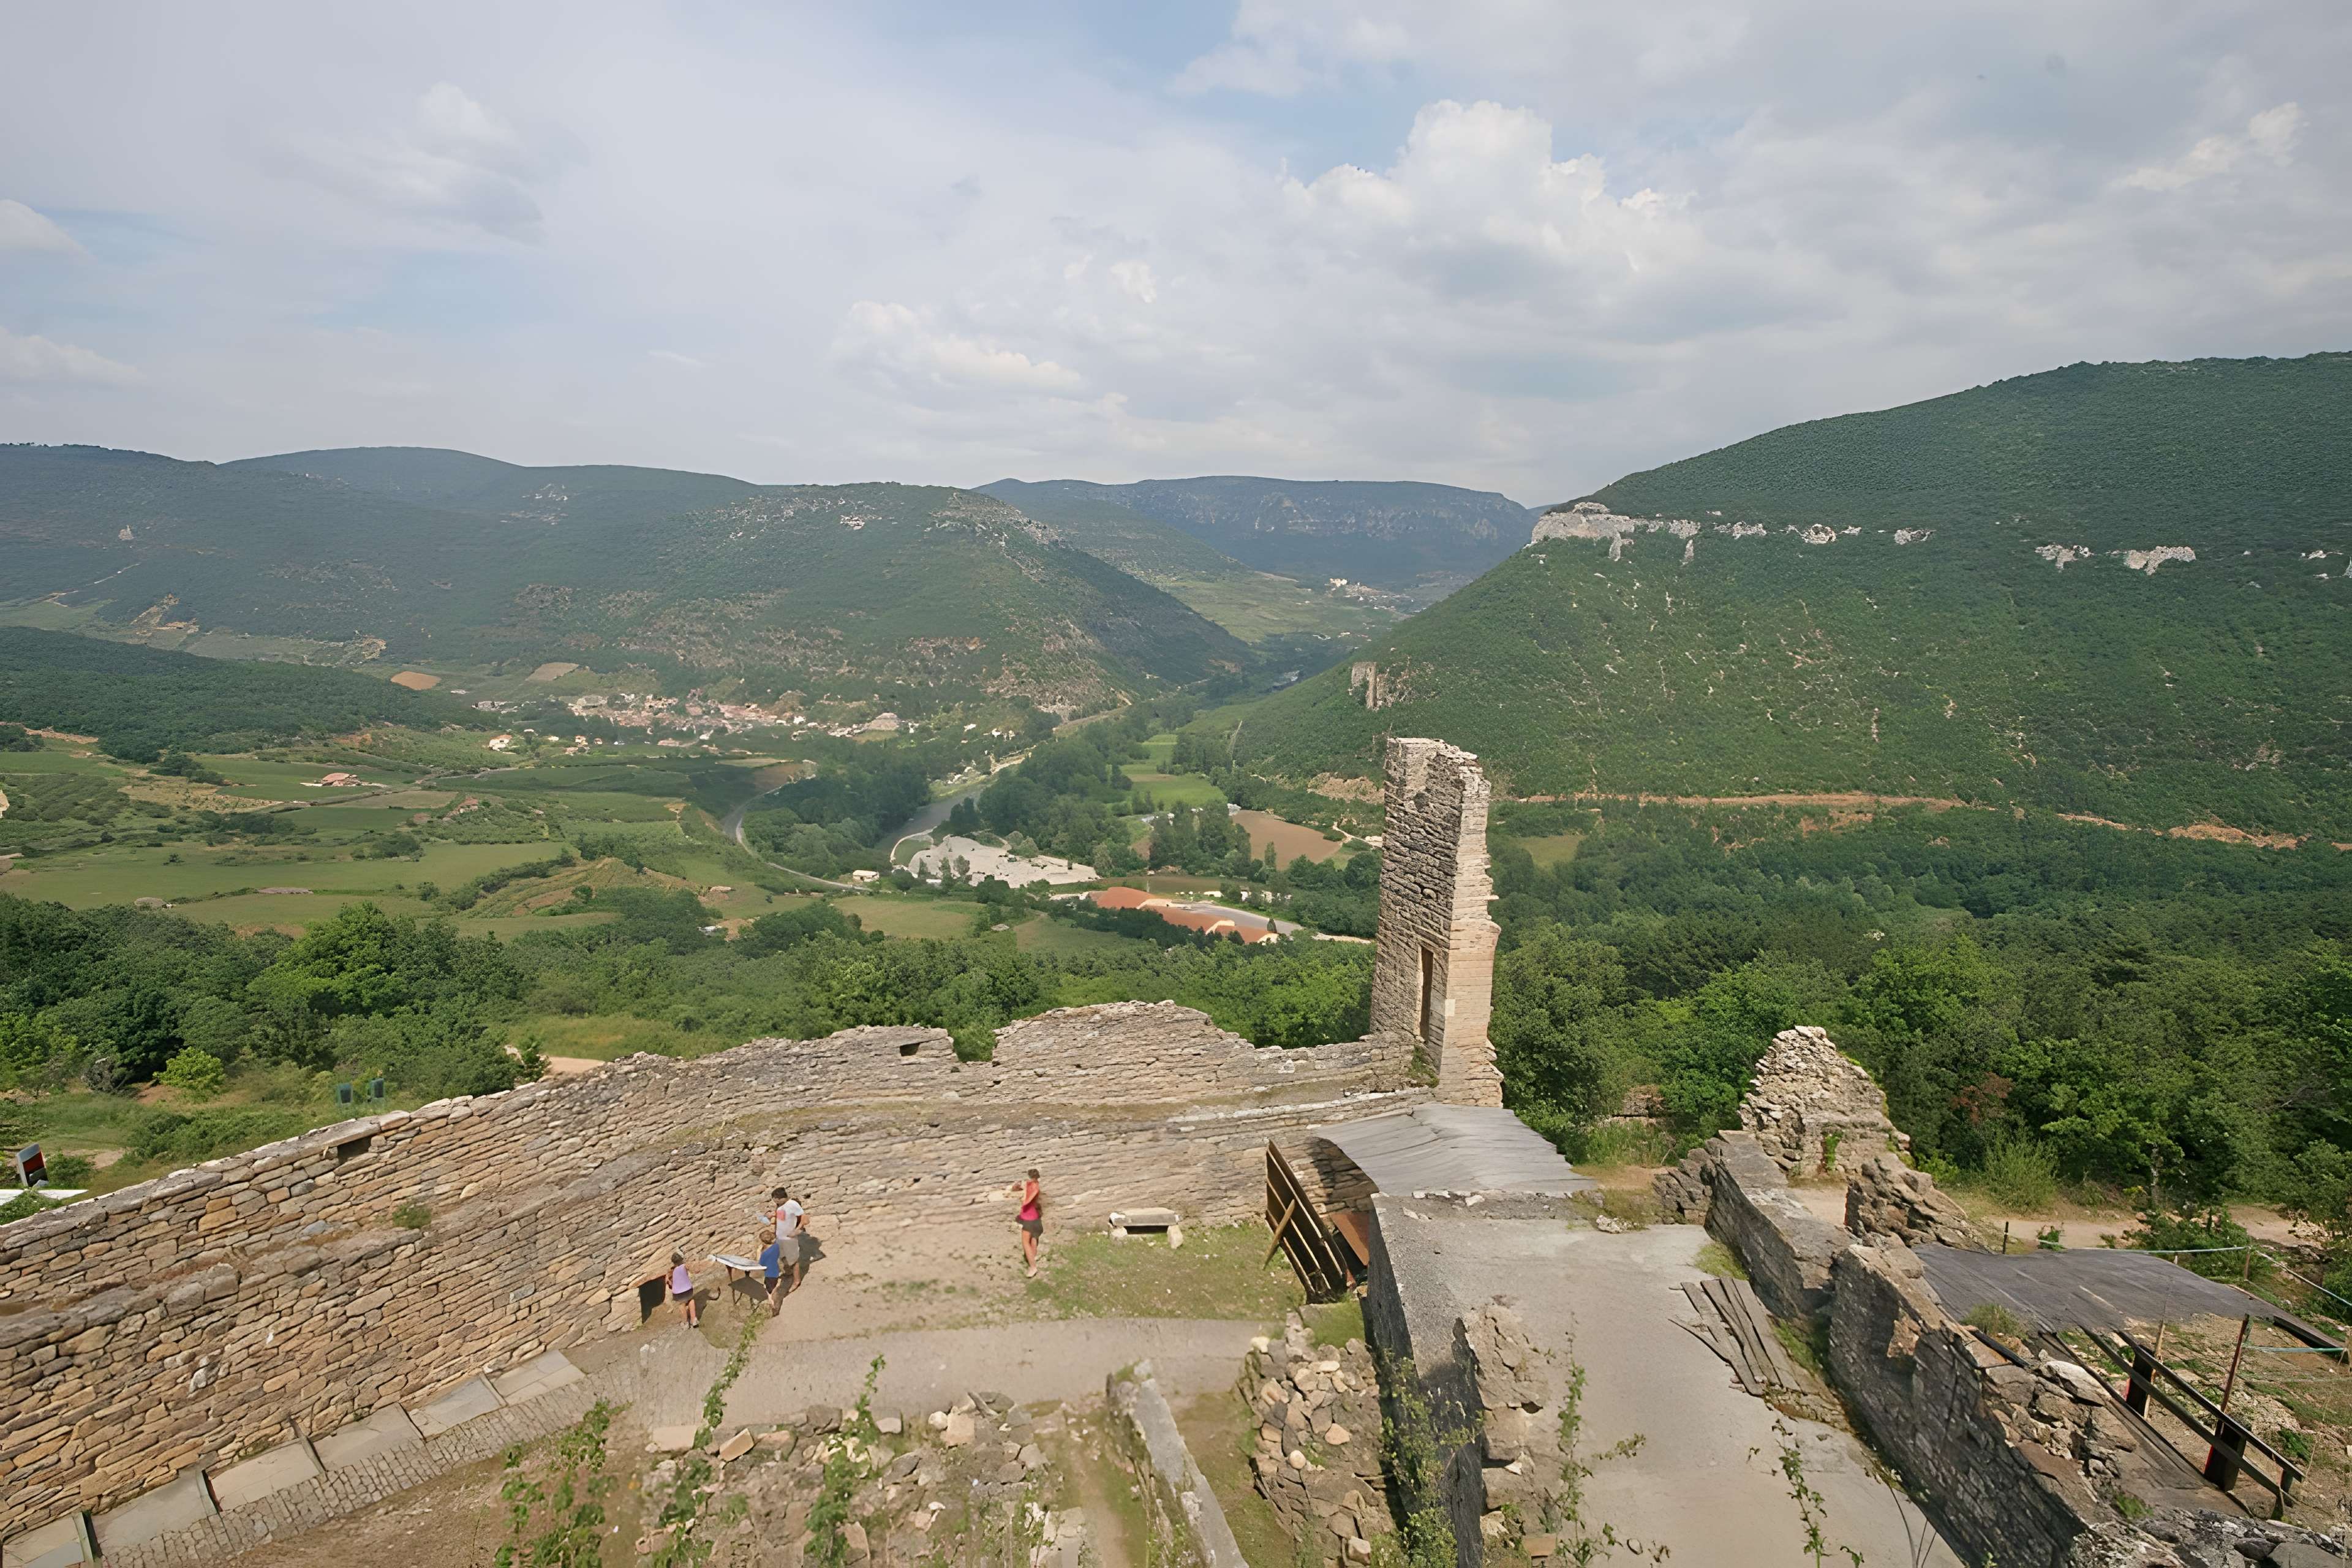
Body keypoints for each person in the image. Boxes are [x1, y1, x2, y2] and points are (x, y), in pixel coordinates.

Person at [771, 1186, 809, 1296]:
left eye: (775, 1200)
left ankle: (797, 1281)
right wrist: (773, 1216)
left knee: (793, 1261)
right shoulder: (780, 1206)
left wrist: (797, 1230)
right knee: (783, 1257)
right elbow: (782, 1218)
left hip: (789, 1239)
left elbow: (805, 1218)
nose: (775, 1202)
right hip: (780, 1238)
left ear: (779, 1198)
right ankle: (789, 1273)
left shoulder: (793, 1204)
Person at [1018, 1168, 1043, 1278]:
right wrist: (1018, 1187)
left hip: (1030, 1217)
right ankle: (1033, 1259)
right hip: (1033, 1216)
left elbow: (1029, 1199)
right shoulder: (1031, 1184)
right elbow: (1022, 1188)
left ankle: (1033, 1267)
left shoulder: (1035, 1187)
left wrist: (1024, 1201)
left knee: (1025, 1242)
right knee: (1033, 1238)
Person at [668, 1249, 698, 1329]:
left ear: (673, 1262)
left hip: (678, 1293)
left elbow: (670, 1283)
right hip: (688, 1290)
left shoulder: (671, 1271)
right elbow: (693, 1269)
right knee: (691, 1300)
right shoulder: (684, 1266)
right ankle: (694, 1320)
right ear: (681, 1260)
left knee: (682, 1305)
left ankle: (685, 1323)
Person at [758, 1226, 783, 1316]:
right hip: (777, 1270)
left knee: (769, 1291)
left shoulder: (765, 1254)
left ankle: (774, 1306)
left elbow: (761, 1265)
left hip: (770, 1274)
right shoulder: (777, 1246)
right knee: (775, 1285)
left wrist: (759, 1252)